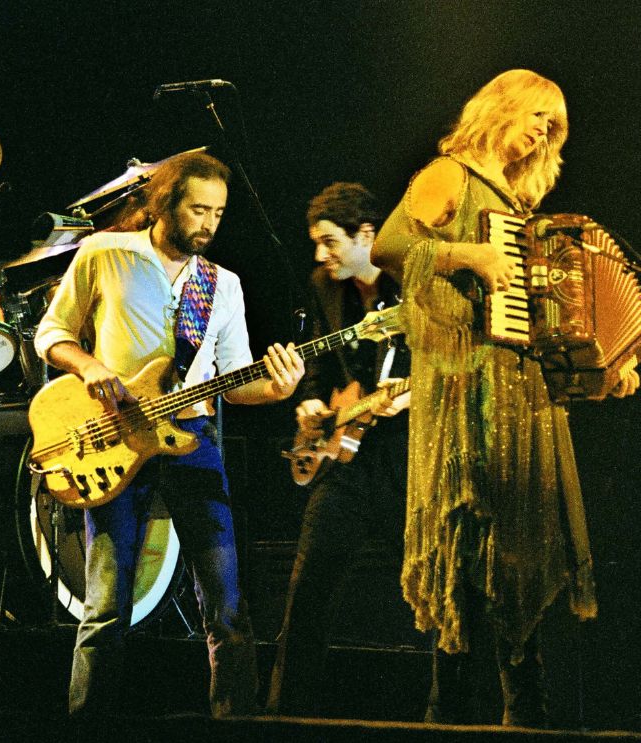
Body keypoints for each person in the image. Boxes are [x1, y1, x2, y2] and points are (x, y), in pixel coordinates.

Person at [371, 69, 641, 727]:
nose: (545, 133)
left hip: (522, 394)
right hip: (466, 388)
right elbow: (388, 245)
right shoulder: (450, 176)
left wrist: (599, 364)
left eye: (555, 127)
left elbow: (549, 327)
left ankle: (524, 712)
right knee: (468, 545)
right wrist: (467, 256)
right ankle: (451, 709)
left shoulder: (523, 215)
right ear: (503, 107)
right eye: (539, 116)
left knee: (520, 554)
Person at [34, 151, 305, 717]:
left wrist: (278, 390)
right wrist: (90, 367)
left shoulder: (221, 284)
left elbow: (235, 380)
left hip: (193, 439)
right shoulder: (105, 253)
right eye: (197, 209)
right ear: (165, 203)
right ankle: (86, 722)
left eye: (218, 213)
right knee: (106, 604)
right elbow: (51, 333)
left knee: (227, 605)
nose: (208, 223)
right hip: (113, 437)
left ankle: (235, 720)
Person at [267, 182, 411, 716]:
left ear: (367, 236)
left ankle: (452, 714)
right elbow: (320, 368)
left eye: (330, 242)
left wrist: (413, 394)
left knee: (433, 586)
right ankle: (285, 713)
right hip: (346, 454)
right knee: (308, 589)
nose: (320, 255)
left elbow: (452, 363)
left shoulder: (413, 285)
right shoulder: (323, 286)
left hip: (406, 454)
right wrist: (308, 404)